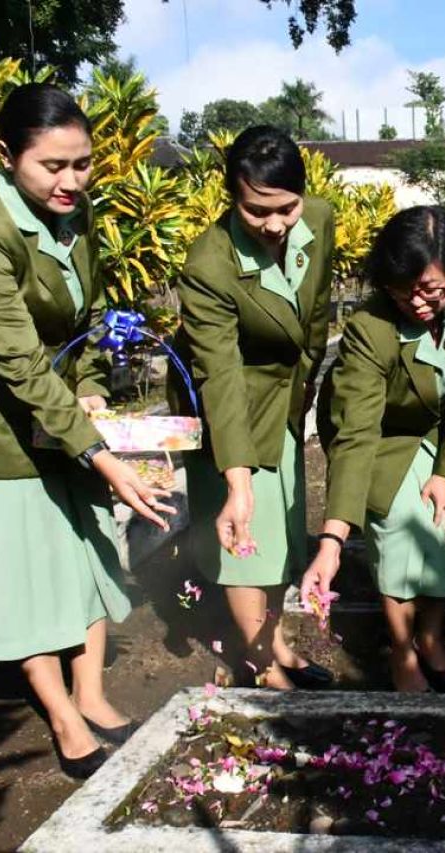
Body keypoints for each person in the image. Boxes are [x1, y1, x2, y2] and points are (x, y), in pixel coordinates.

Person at [0, 83, 175, 779]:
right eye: (53, 166)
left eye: (83, 164)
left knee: (88, 551)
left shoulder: (75, 213)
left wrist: (92, 385)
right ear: (6, 156)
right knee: (29, 572)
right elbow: (17, 361)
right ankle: (64, 715)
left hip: (64, 412)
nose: (71, 180)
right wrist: (100, 454)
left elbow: (92, 316)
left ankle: (91, 692)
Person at [301, 206, 445, 692]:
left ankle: (430, 636)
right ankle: (402, 652)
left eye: (431, 289)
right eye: (402, 289)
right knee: (398, 532)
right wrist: (333, 540)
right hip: (381, 434)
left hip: (434, 428)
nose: (418, 302)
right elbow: (357, 433)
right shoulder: (371, 328)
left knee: (440, 526)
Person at [173, 125, 336, 690]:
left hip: (284, 393)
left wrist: (308, 374)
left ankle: (277, 642)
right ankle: (263, 664)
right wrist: (237, 479)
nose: (274, 224)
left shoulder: (319, 220)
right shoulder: (209, 264)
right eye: (256, 211)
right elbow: (218, 373)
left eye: (286, 208)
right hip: (232, 403)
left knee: (282, 529)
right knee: (249, 536)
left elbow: (317, 308)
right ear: (231, 198)